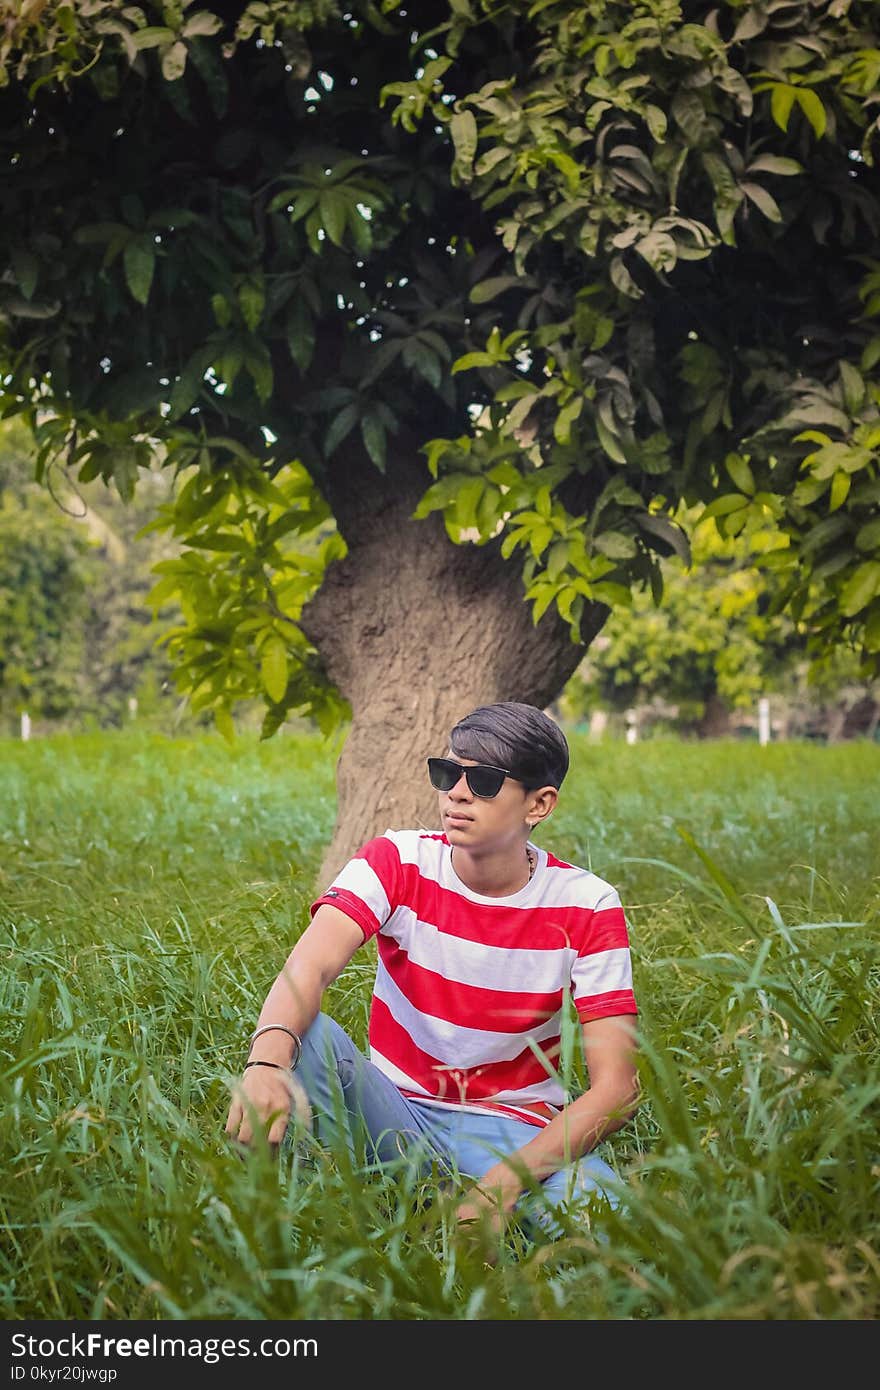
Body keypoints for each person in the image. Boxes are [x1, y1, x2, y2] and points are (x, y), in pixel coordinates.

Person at [225, 701, 640, 1242]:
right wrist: (263, 1062)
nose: (457, 794)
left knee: (613, 1228)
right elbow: (308, 968)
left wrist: (502, 1185)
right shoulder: (398, 861)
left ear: (539, 804)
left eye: (484, 781)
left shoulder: (586, 904)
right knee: (308, 1038)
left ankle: (449, 1201)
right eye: (448, 774)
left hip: (514, 1131)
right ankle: (329, 1211)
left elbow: (619, 1087)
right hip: (396, 1111)